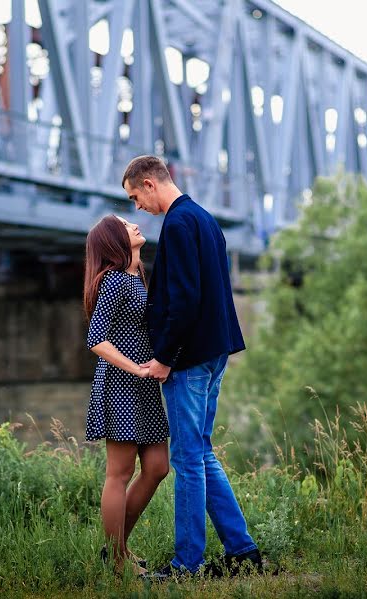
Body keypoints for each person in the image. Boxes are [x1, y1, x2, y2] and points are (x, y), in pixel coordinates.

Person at [121, 155, 262, 579]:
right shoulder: (204, 218)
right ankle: (243, 552)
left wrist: (164, 358)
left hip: (190, 359)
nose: (136, 208)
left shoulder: (179, 225)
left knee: (186, 457)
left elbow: (184, 299)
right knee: (200, 452)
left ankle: (187, 565)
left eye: (134, 197)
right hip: (214, 351)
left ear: (149, 183)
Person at [83, 214, 170, 577]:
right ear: (113, 241)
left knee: (157, 468)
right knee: (119, 473)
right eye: (124, 225)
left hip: (145, 384)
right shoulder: (115, 281)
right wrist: (135, 368)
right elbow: (96, 339)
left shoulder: (138, 276)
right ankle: (117, 561)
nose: (134, 225)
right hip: (121, 383)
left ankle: (118, 549)